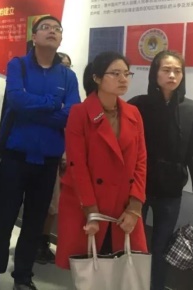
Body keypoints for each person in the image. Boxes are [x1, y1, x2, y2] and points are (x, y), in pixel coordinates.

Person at [0, 16, 80, 290]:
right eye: (45, 28)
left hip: (47, 161)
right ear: (34, 37)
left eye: (57, 29)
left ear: (61, 38)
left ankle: (23, 276)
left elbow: (72, 113)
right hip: (15, 157)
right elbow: (16, 99)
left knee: (35, 222)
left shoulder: (68, 76)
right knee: (4, 218)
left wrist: (36, 109)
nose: (52, 31)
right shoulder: (19, 65)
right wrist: (53, 104)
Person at [56, 51, 148, 269]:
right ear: (97, 78)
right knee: (88, 270)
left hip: (123, 206)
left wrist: (135, 207)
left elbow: (141, 161)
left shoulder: (133, 113)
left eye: (126, 73)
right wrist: (91, 211)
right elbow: (77, 165)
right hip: (87, 204)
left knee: (122, 269)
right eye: (115, 73)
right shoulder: (80, 113)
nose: (123, 79)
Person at [129, 50, 193, 290]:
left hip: (171, 192)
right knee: (134, 244)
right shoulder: (137, 105)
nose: (172, 75)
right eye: (166, 70)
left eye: (177, 71)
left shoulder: (191, 109)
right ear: (155, 73)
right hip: (138, 189)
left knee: (161, 247)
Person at [35, 51, 73, 265]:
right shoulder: (46, 92)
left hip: (63, 158)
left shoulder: (72, 94)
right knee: (45, 204)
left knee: (54, 205)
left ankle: (43, 242)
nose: (65, 69)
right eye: (62, 65)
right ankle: (35, 243)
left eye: (68, 66)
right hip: (44, 156)